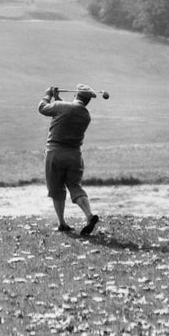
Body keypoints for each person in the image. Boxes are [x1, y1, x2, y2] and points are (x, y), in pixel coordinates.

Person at [38, 85, 100, 236]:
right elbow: (67, 111)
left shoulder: (61, 107)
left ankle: (62, 223)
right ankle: (89, 215)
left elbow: (43, 108)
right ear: (87, 101)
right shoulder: (86, 115)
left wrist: (48, 95)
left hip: (55, 153)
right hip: (74, 155)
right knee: (75, 186)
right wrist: (58, 99)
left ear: (76, 95)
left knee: (56, 188)